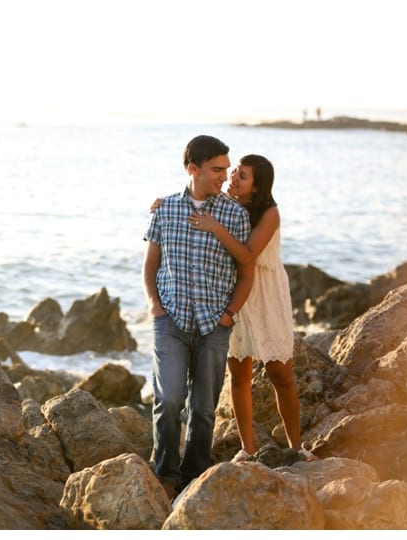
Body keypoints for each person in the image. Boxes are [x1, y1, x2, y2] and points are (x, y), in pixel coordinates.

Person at [151, 154, 316, 463]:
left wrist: (215, 228)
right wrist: (163, 206)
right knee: (238, 374)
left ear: (257, 187)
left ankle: (297, 447)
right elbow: (192, 200)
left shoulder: (270, 213)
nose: (233, 177)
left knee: (281, 373)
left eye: (242, 176)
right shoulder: (223, 203)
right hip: (234, 292)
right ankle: (247, 450)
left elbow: (248, 256)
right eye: (235, 171)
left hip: (265, 294)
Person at [143, 135, 253, 498]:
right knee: (169, 399)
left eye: (227, 168)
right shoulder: (166, 209)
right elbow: (151, 265)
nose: (225, 176)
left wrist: (229, 314)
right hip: (171, 320)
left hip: (213, 324)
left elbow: (245, 268)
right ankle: (166, 475)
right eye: (217, 169)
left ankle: (194, 479)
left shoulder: (234, 214)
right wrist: (156, 307)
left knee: (204, 409)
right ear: (193, 169)